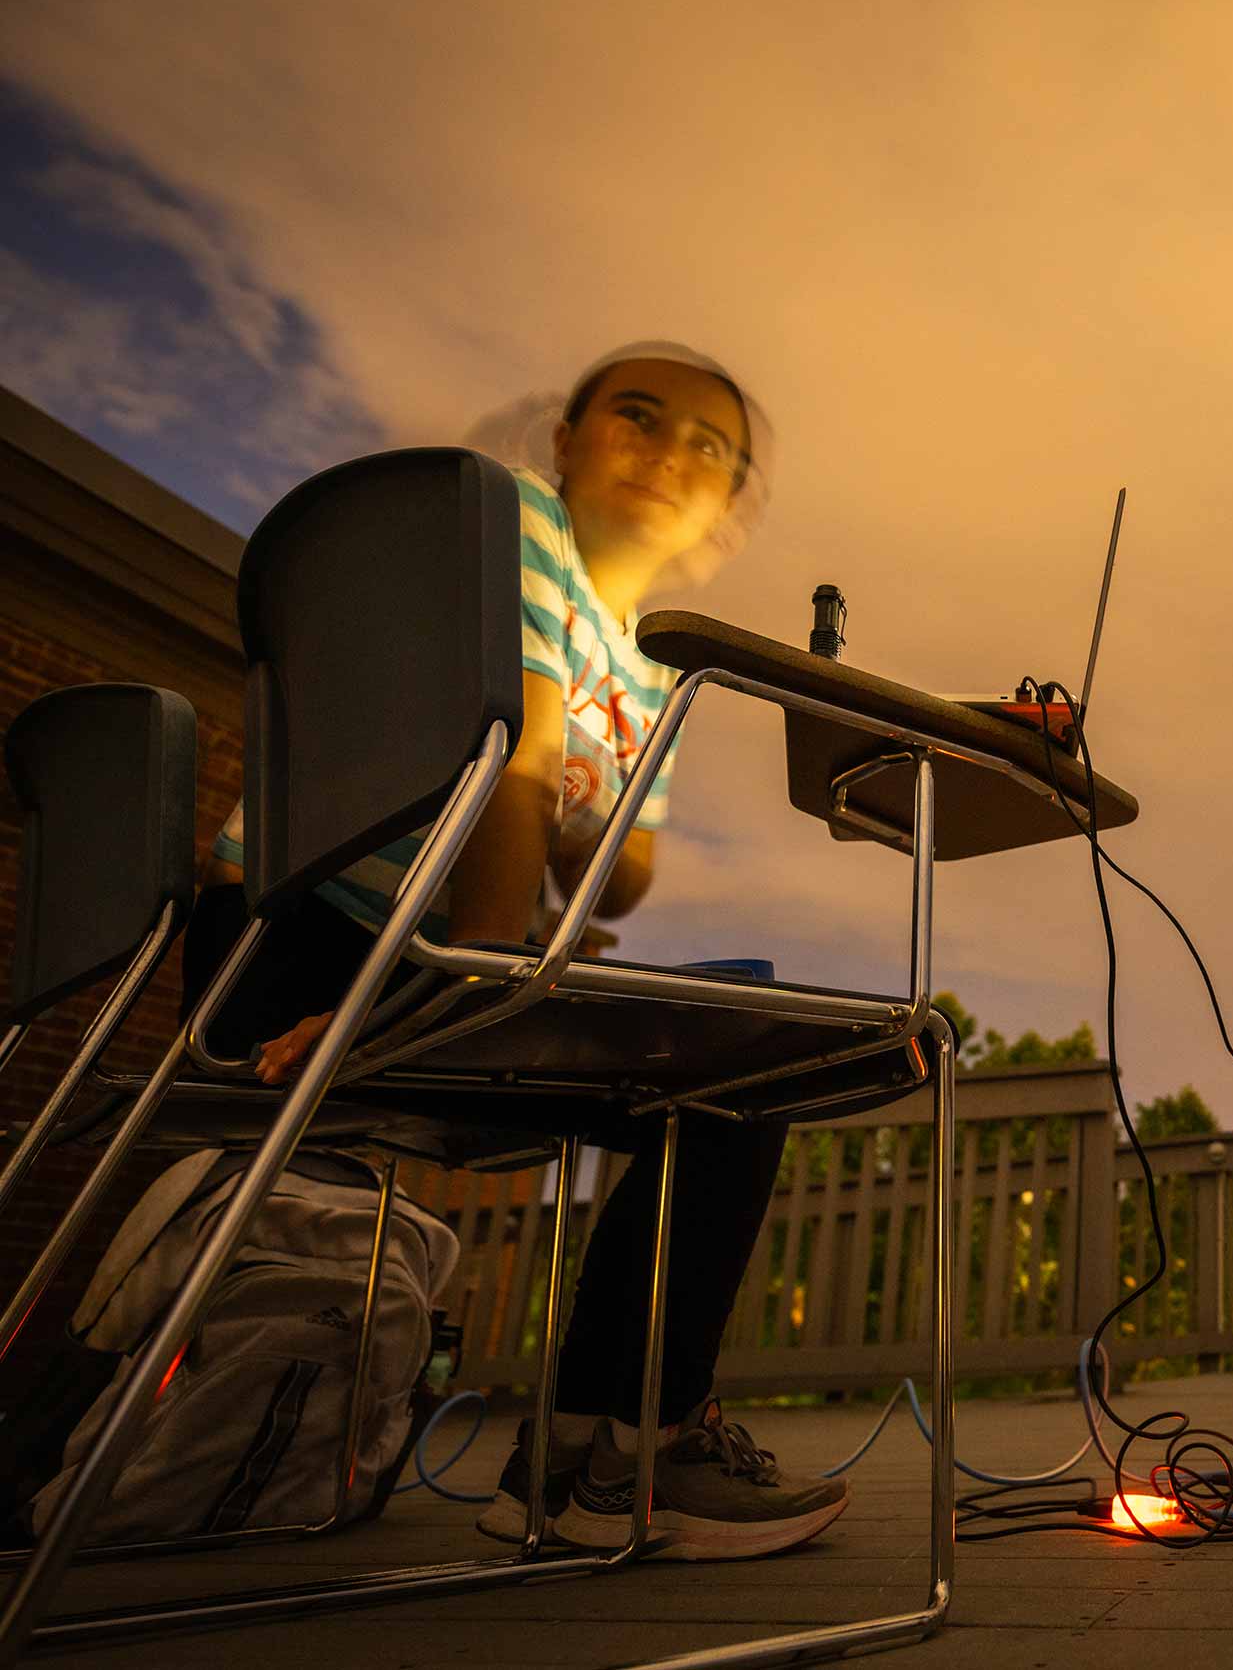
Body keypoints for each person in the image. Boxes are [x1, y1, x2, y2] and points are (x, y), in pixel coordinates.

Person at [184, 341, 846, 1561]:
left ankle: (593, 1458)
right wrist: (479, 977)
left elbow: (624, 869)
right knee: (737, 1073)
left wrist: (567, 852)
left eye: (708, 445)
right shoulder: (519, 531)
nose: (667, 453)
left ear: (727, 512)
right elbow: (520, 768)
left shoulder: (647, 660)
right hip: (295, 953)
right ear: (566, 443)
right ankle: (632, 1461)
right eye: (636, 418)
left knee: (729, 1066)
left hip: (399, 967)